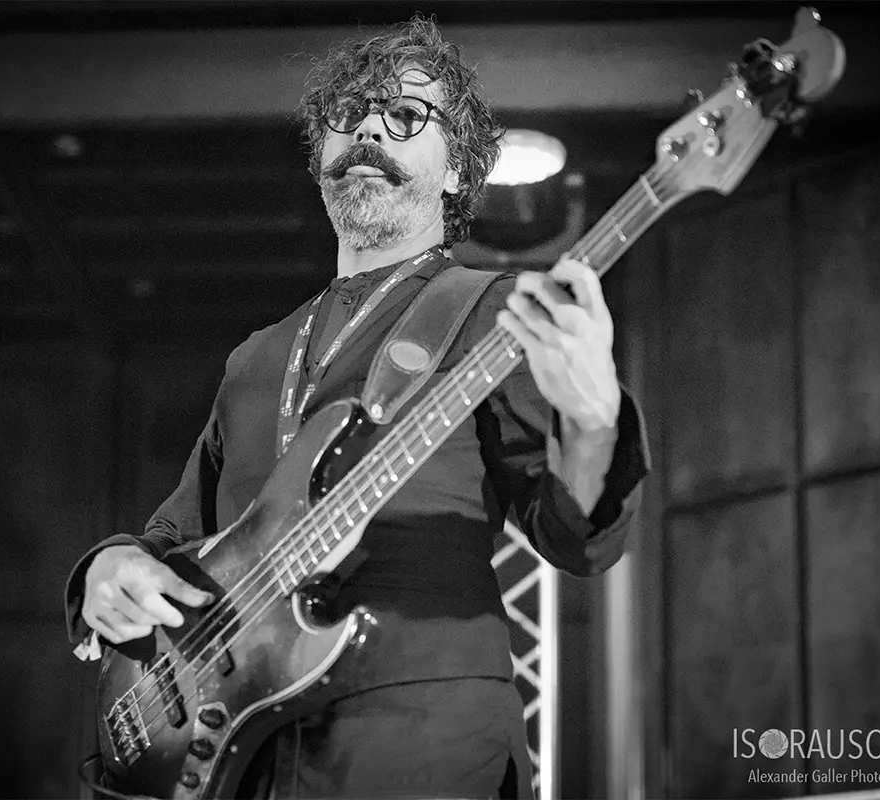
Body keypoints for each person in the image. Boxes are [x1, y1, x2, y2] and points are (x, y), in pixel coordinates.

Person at [65, 15, 649, 799]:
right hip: (235, 763)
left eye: (406, 115)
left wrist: (594, 423)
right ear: (321, 161)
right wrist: (107, 569)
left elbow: (575, 540)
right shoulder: (256, 356)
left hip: (417, 751)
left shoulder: (496, 315)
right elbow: (176, 536)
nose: (370, 129)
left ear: (456, 170)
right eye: (349, 114)